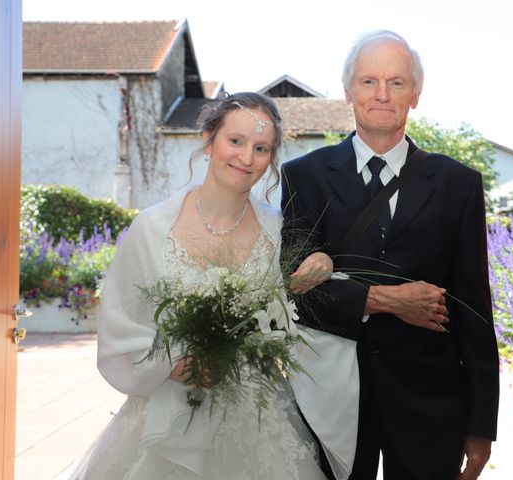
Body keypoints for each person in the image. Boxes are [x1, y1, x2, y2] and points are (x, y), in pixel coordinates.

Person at [68, 92, 338, 480]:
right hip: (171, 409)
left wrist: (322, 261)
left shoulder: (279, 231)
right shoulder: (152, 226)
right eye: (236, 141)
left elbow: (293, 298)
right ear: (209, 139)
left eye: (261, 148)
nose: (246, 158)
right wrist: (172, 363)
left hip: (256, 411)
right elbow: (120, 319)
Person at [281, 31, 500, 480]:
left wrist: (482, 426)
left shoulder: (458, 184)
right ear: (347, 92)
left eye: (397, 82)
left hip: (431, 407)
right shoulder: (303, 177)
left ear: (415, 95)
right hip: (332, 406)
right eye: (368, 81)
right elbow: (296, 296)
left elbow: (475, 310)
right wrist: (386, 301)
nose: (382, 93)